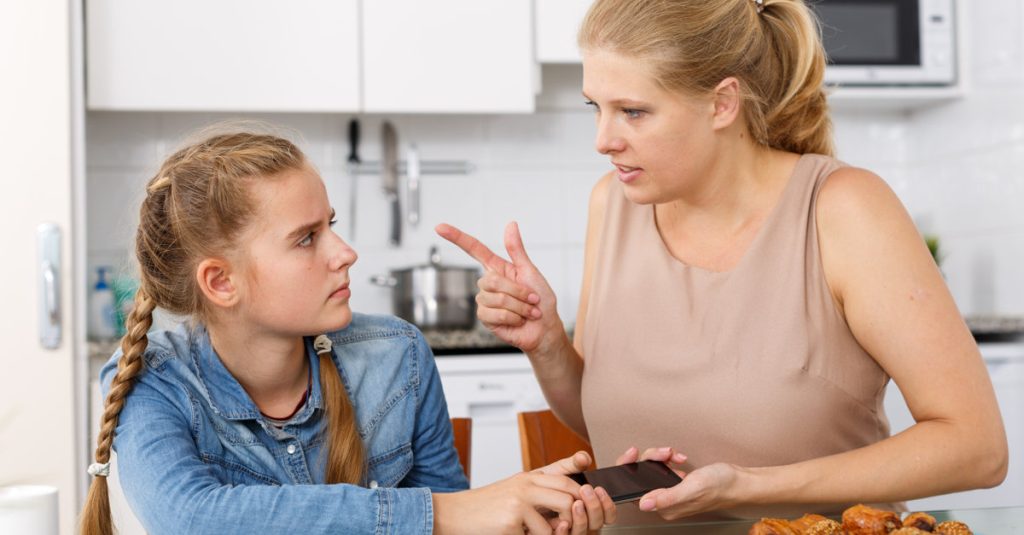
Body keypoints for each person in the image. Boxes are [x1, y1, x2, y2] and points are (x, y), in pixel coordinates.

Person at [437, 0, 1008, 523]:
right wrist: (546, 345)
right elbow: (607, 423)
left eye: (633, 112)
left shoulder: (841, 208)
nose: (603, 139)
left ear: (722, 103)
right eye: (597, 107)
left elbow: (977, 449)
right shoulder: (612, 205)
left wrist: (749, 487)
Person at [79, 130, 620, 535]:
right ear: (221, 282)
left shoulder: (397, 356)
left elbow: (459, 525)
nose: (345, 253)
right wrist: (439, 514)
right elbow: (191, 517)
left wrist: (522, 520)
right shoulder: (151, 382)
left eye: (330, 225)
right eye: (306, 238)